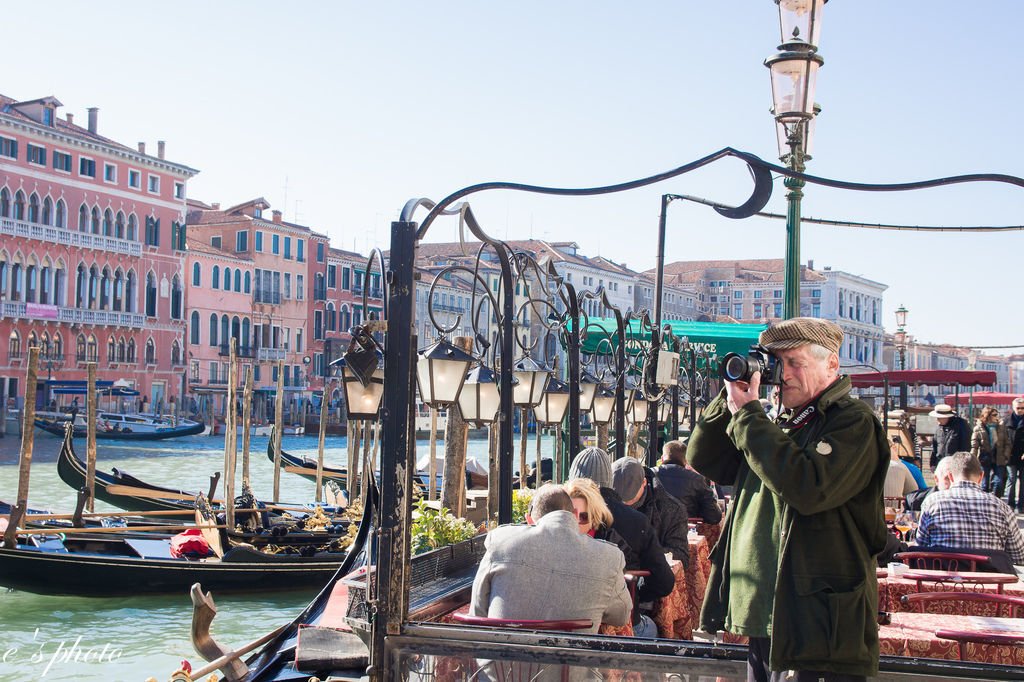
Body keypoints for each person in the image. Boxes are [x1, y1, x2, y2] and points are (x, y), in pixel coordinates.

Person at [687, 317, 889, 682]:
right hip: (768, 613)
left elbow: (808, 487)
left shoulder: (852, 423)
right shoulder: (776, 423)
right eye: (779, 364)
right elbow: (705, 458)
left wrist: (749, 417)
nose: (786, 374)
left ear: (832, 364)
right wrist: (732, 396)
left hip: (820, 622)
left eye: (796, 363)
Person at [470, 484, 631, 634]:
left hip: (502, 662)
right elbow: (621, 616)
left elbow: (478, 612)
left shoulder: (499, 541)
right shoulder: (608, 557)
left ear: (529, 519)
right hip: (572, 662)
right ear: (574, 515)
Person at [567, 448, 675, 621]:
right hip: (620, 619)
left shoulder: (556, 515)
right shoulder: (636, 521)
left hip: (564, 618)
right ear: (610, 479)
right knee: (653, 628)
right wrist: (636, 594)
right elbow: (663, 583)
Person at [915, 452, 1024, 566]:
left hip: (943, 580)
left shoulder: (932, 502)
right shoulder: (1002, 507)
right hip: (988, 581)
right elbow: (1019, 556)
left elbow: (920, 547)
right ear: (981, 477)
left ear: (950, 476)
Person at [612, 456, 689, 566]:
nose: (625, 504)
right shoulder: (603, 502)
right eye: (620, 500)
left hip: (651, 576)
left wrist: (646, 553)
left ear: (644, 482)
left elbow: (681, 556)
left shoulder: (673, 509)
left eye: (631, 498)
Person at [654, 440, 723, 526]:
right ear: (686, 460)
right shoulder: (697, 479)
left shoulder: (649, 474)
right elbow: (713, 516)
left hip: (651, 530)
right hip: (685, 531)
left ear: (662, 458)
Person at [971, 406, 1009, 495]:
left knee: (998, 482)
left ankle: (995, 500)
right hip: (984, 457)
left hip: (999, 457)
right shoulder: (979, 428)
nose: (997, 417)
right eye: (994, 415)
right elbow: (974, 445)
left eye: (997, 414)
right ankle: (984, 503)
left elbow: (1007, 442)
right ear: (987, 415)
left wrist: (1006, 455)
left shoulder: (1001, 427)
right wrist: (973, 458)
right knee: (984, 484)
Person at [929, 404, 970, 470]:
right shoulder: (939, 429)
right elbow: (935, 447)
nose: (937, 420)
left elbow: (966, 447)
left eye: (939, 418)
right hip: (941, 465)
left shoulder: (961, 426)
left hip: (956, 465)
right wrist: (933, 464)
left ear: (946, 417)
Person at [1004, 398, 1024, 513]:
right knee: (1011, 479)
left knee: (1023, 481)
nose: (1020, 410)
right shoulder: (1006, 421)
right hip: (1010, 455)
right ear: (1013, 407)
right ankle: (1009, 504)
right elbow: (1002, 439)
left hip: (1022, 455)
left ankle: (1021, 505)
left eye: (1023, 408)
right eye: (1018, 408)